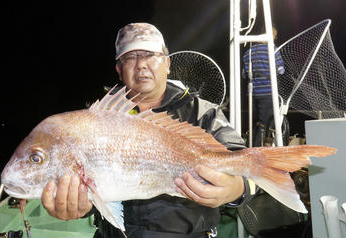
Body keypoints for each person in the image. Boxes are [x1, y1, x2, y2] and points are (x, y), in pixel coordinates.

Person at [42, 22, 252, 238]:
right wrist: (81, 205)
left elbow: (245, 167)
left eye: (150, 55)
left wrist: (237, 189)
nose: (141, 64)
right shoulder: (97, 120)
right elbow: (96, 186)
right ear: (119, 70)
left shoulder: (203, 114)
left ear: (167, 63)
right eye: (130, 57)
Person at [242, 26, 285, 147]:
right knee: (263, 124)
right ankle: (256, 151)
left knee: (254, 123)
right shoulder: (272, 49)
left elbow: (244, 74)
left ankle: (248, 146)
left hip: (252, 94)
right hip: (267, 92)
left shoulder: (248, 52)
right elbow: (281, 70)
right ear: (271, 36)